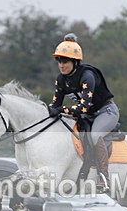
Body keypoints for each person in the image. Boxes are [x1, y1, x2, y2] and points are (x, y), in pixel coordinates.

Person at [48, 34, 120, 193]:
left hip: (106, 111)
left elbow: (83, 108)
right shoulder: (61, 80)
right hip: (88, 115)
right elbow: (55, 106)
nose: (61, 65)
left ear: (75, 62)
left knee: (94, 136)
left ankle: (104, 178)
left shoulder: (87, 75)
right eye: (58, 61)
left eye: (65, 61)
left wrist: (62, 110)